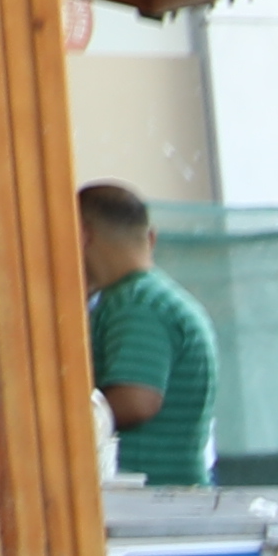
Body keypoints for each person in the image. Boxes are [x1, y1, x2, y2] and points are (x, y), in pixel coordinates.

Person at [78, 186, 221, 488]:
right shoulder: (152, 297)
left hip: (151, 497)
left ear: (83, 235)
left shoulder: (136, 303)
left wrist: (58, 424)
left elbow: (136, 400)